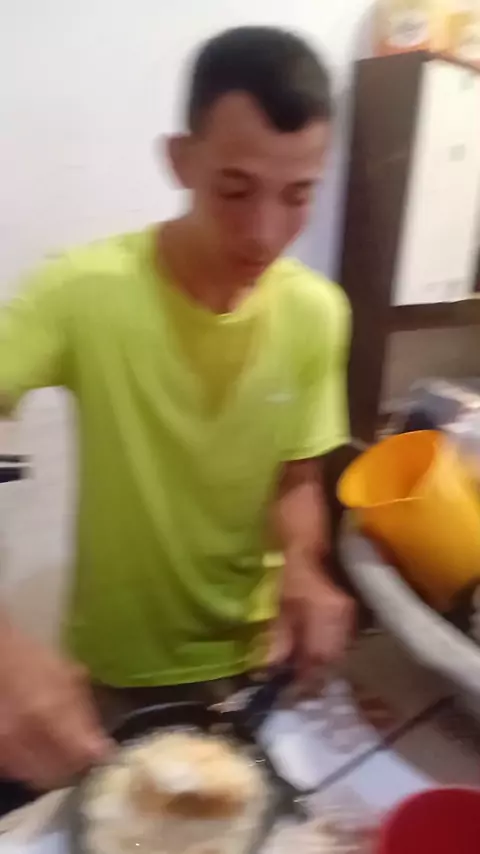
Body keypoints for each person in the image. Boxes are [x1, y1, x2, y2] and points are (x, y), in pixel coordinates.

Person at [0, 26, 354, 791]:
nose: (265, 234)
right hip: (117, 677)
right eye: (235, 190)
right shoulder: (81, 292)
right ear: (180, 160)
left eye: (298, 195)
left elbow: (296, 474)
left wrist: (303, 564)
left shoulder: (317, 313)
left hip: (258, 668)